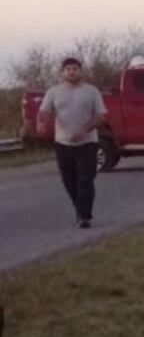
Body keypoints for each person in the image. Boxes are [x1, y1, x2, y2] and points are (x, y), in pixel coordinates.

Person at [37, 57, 108, 229]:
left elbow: (101, 116)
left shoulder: (91, 91)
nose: (72, 71)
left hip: (88, 142)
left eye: (75, 68)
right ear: (62, 73)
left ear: (81, 71)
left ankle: (84, 216)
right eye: (68, 69)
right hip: (63, 143)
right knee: (69, 180)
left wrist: (84, 130)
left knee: (85, 180)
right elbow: (44, 112)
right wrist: (42, 123)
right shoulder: (54, 92)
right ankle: (79, 208)